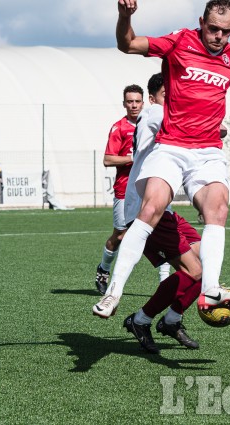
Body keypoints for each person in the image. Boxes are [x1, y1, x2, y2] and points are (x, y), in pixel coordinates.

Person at [94, 0, 230, 316]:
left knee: (218, 207)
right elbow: (128, 44)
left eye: (227, 31)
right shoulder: (180, 41)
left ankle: (211, 290)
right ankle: (113, 293)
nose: (219, 36)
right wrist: (125, 17)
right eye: (213, 28)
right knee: (151, 207)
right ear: (201, 21)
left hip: (207, 152)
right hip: (172, 147)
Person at [94, 73, 203, 353]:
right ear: (152, 99)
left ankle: (168, 319)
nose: (175, 100)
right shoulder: (153, 114)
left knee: (204, 261)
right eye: (170, 95)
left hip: (164, 210)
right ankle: (144, 318)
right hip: (146, 211)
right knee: (194, 271)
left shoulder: (165, 117)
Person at [94, 84, 170, 294]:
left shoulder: (156, 121)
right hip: (125, 189)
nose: (134, 105)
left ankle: (165, 281)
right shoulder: (119, 128)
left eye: (137, 101)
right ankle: (104, 269)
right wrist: (133, 158)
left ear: (144, 102)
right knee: (120, 235)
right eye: (130, 101)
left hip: (151, 186)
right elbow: (108, 160)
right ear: (124, 104)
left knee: (160, 232)